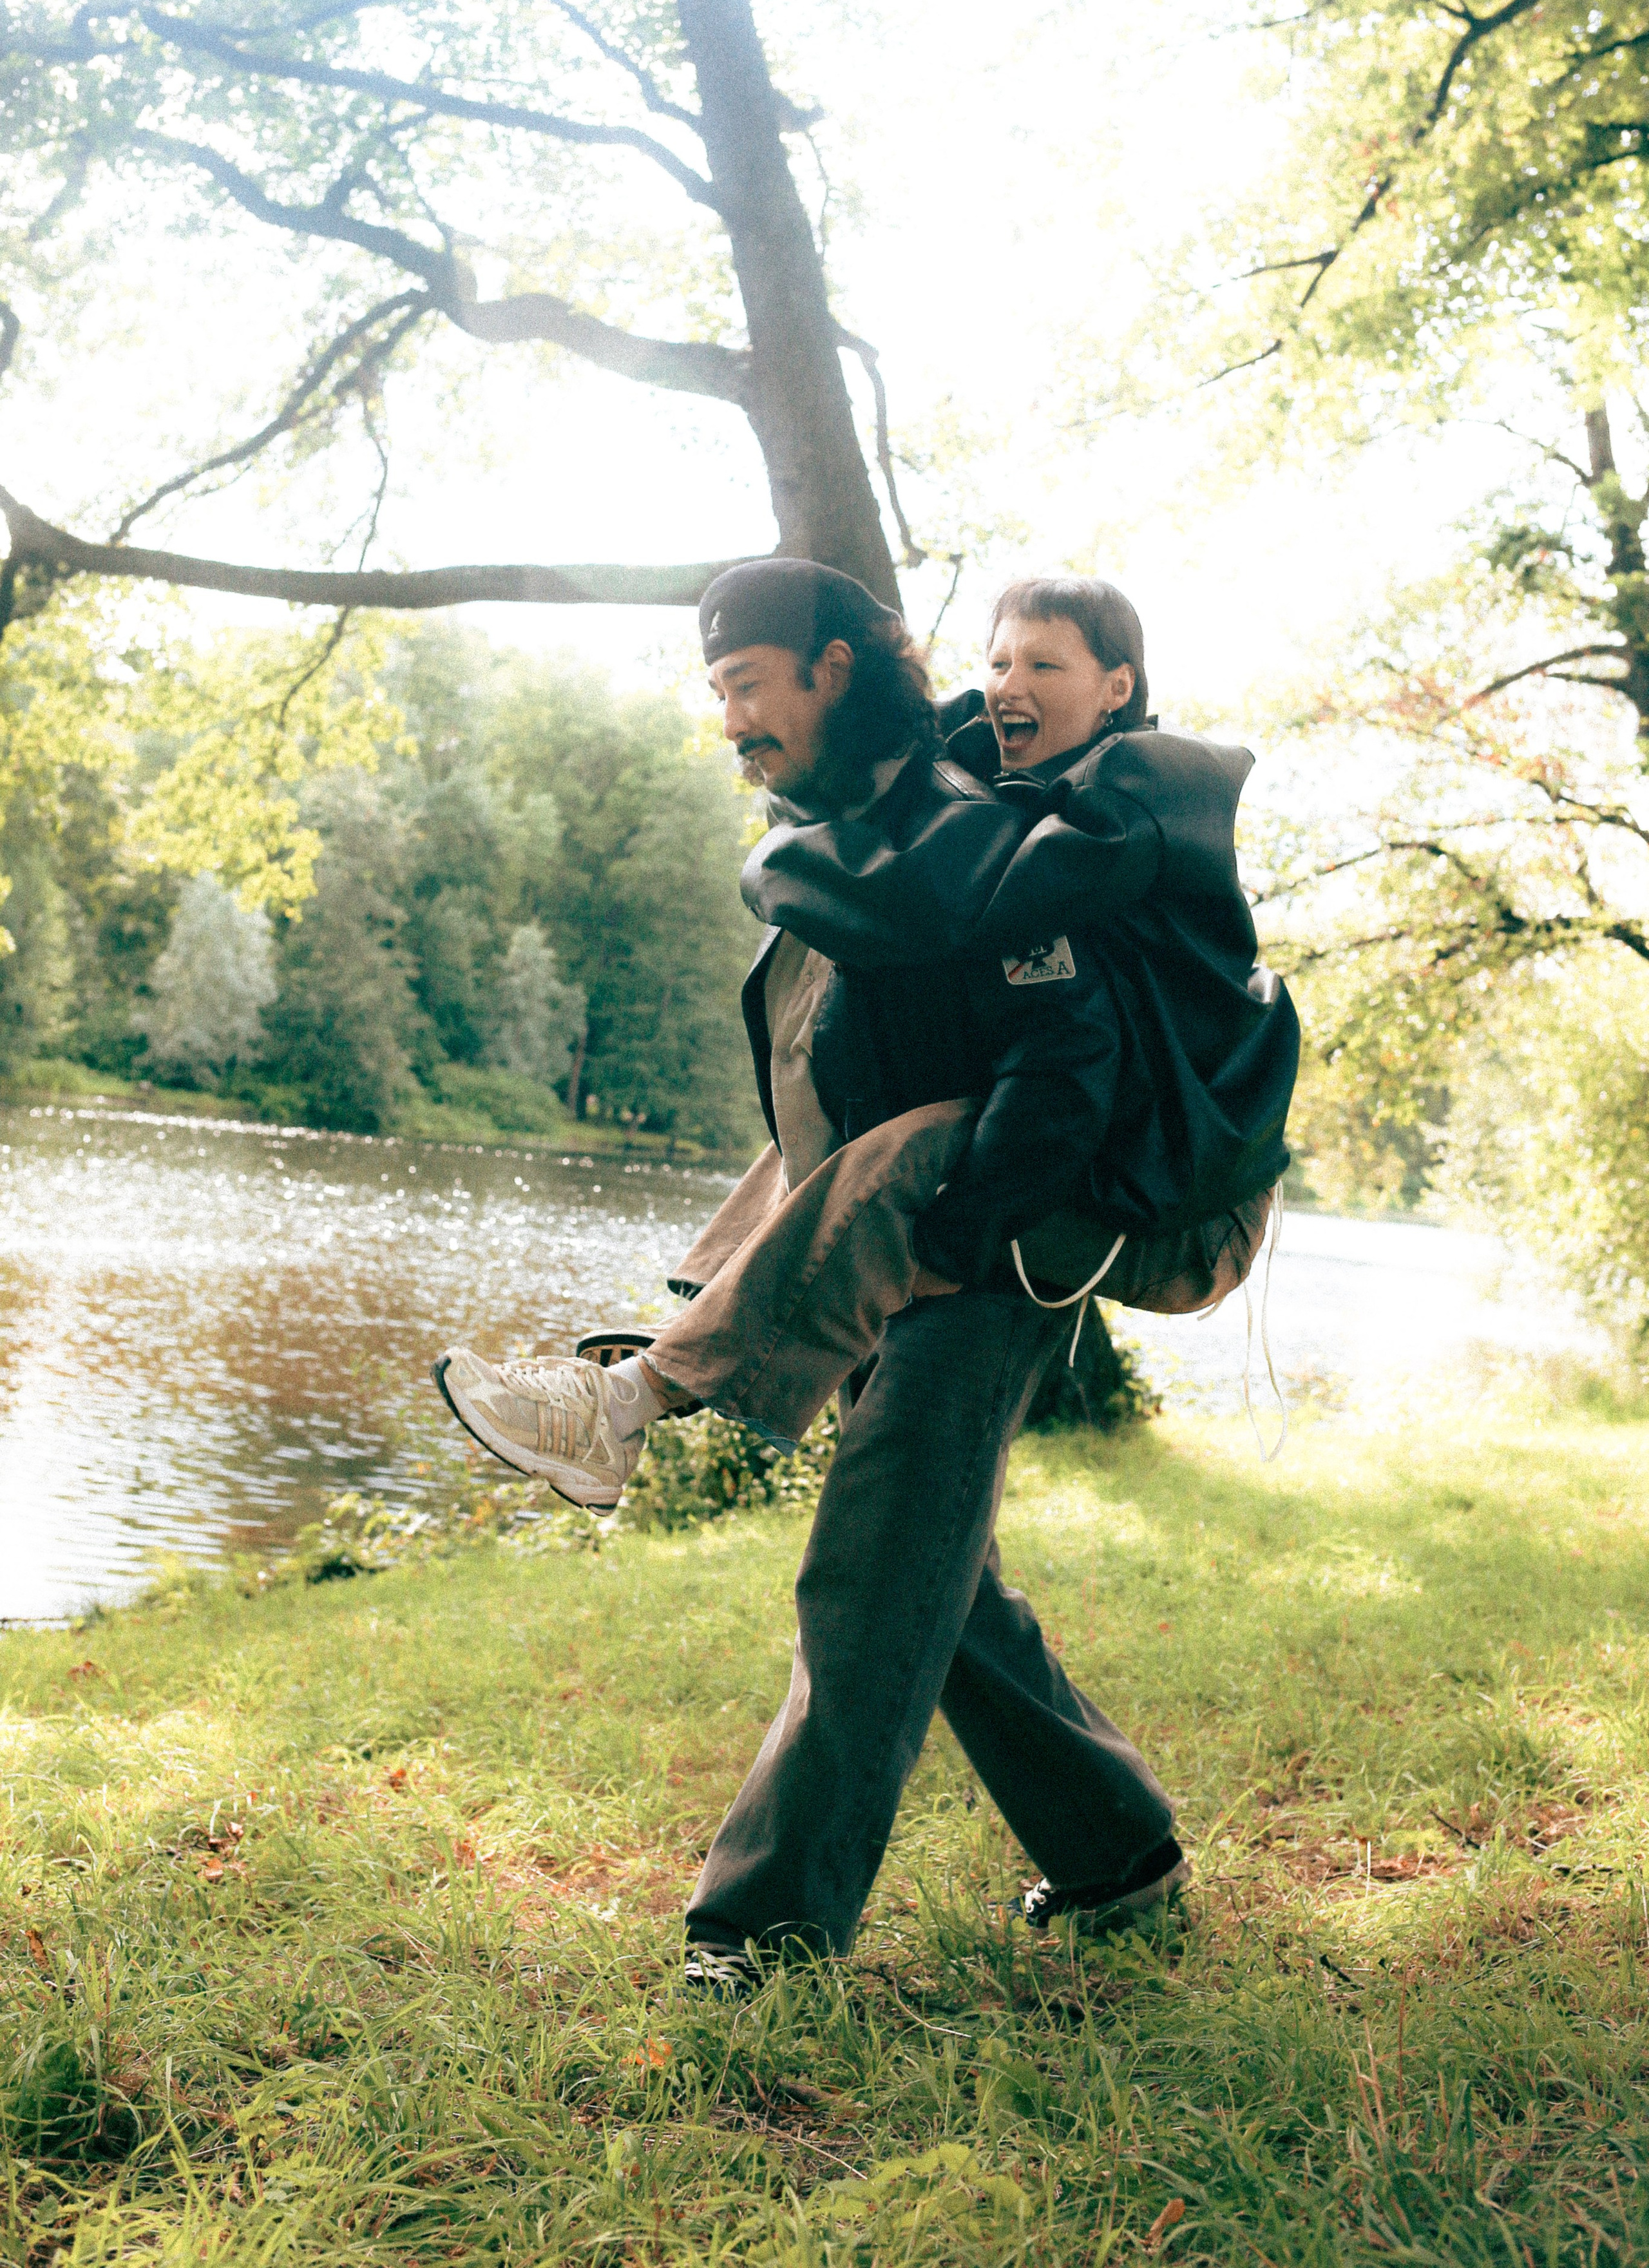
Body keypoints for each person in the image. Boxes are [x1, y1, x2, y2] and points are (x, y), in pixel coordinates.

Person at [435, 559, 1297, 1984]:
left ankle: (767, 1931)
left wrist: (957, 1239)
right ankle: (1115, 1855)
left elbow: (1067, 1059)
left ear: (831, 672)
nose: (729, 721)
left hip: (1005, 1239)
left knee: (876, 1571)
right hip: (916, 1244)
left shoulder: (999, 832)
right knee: (942, 1591)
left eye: (749, 687)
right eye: (716, 693)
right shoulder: (889, 824)